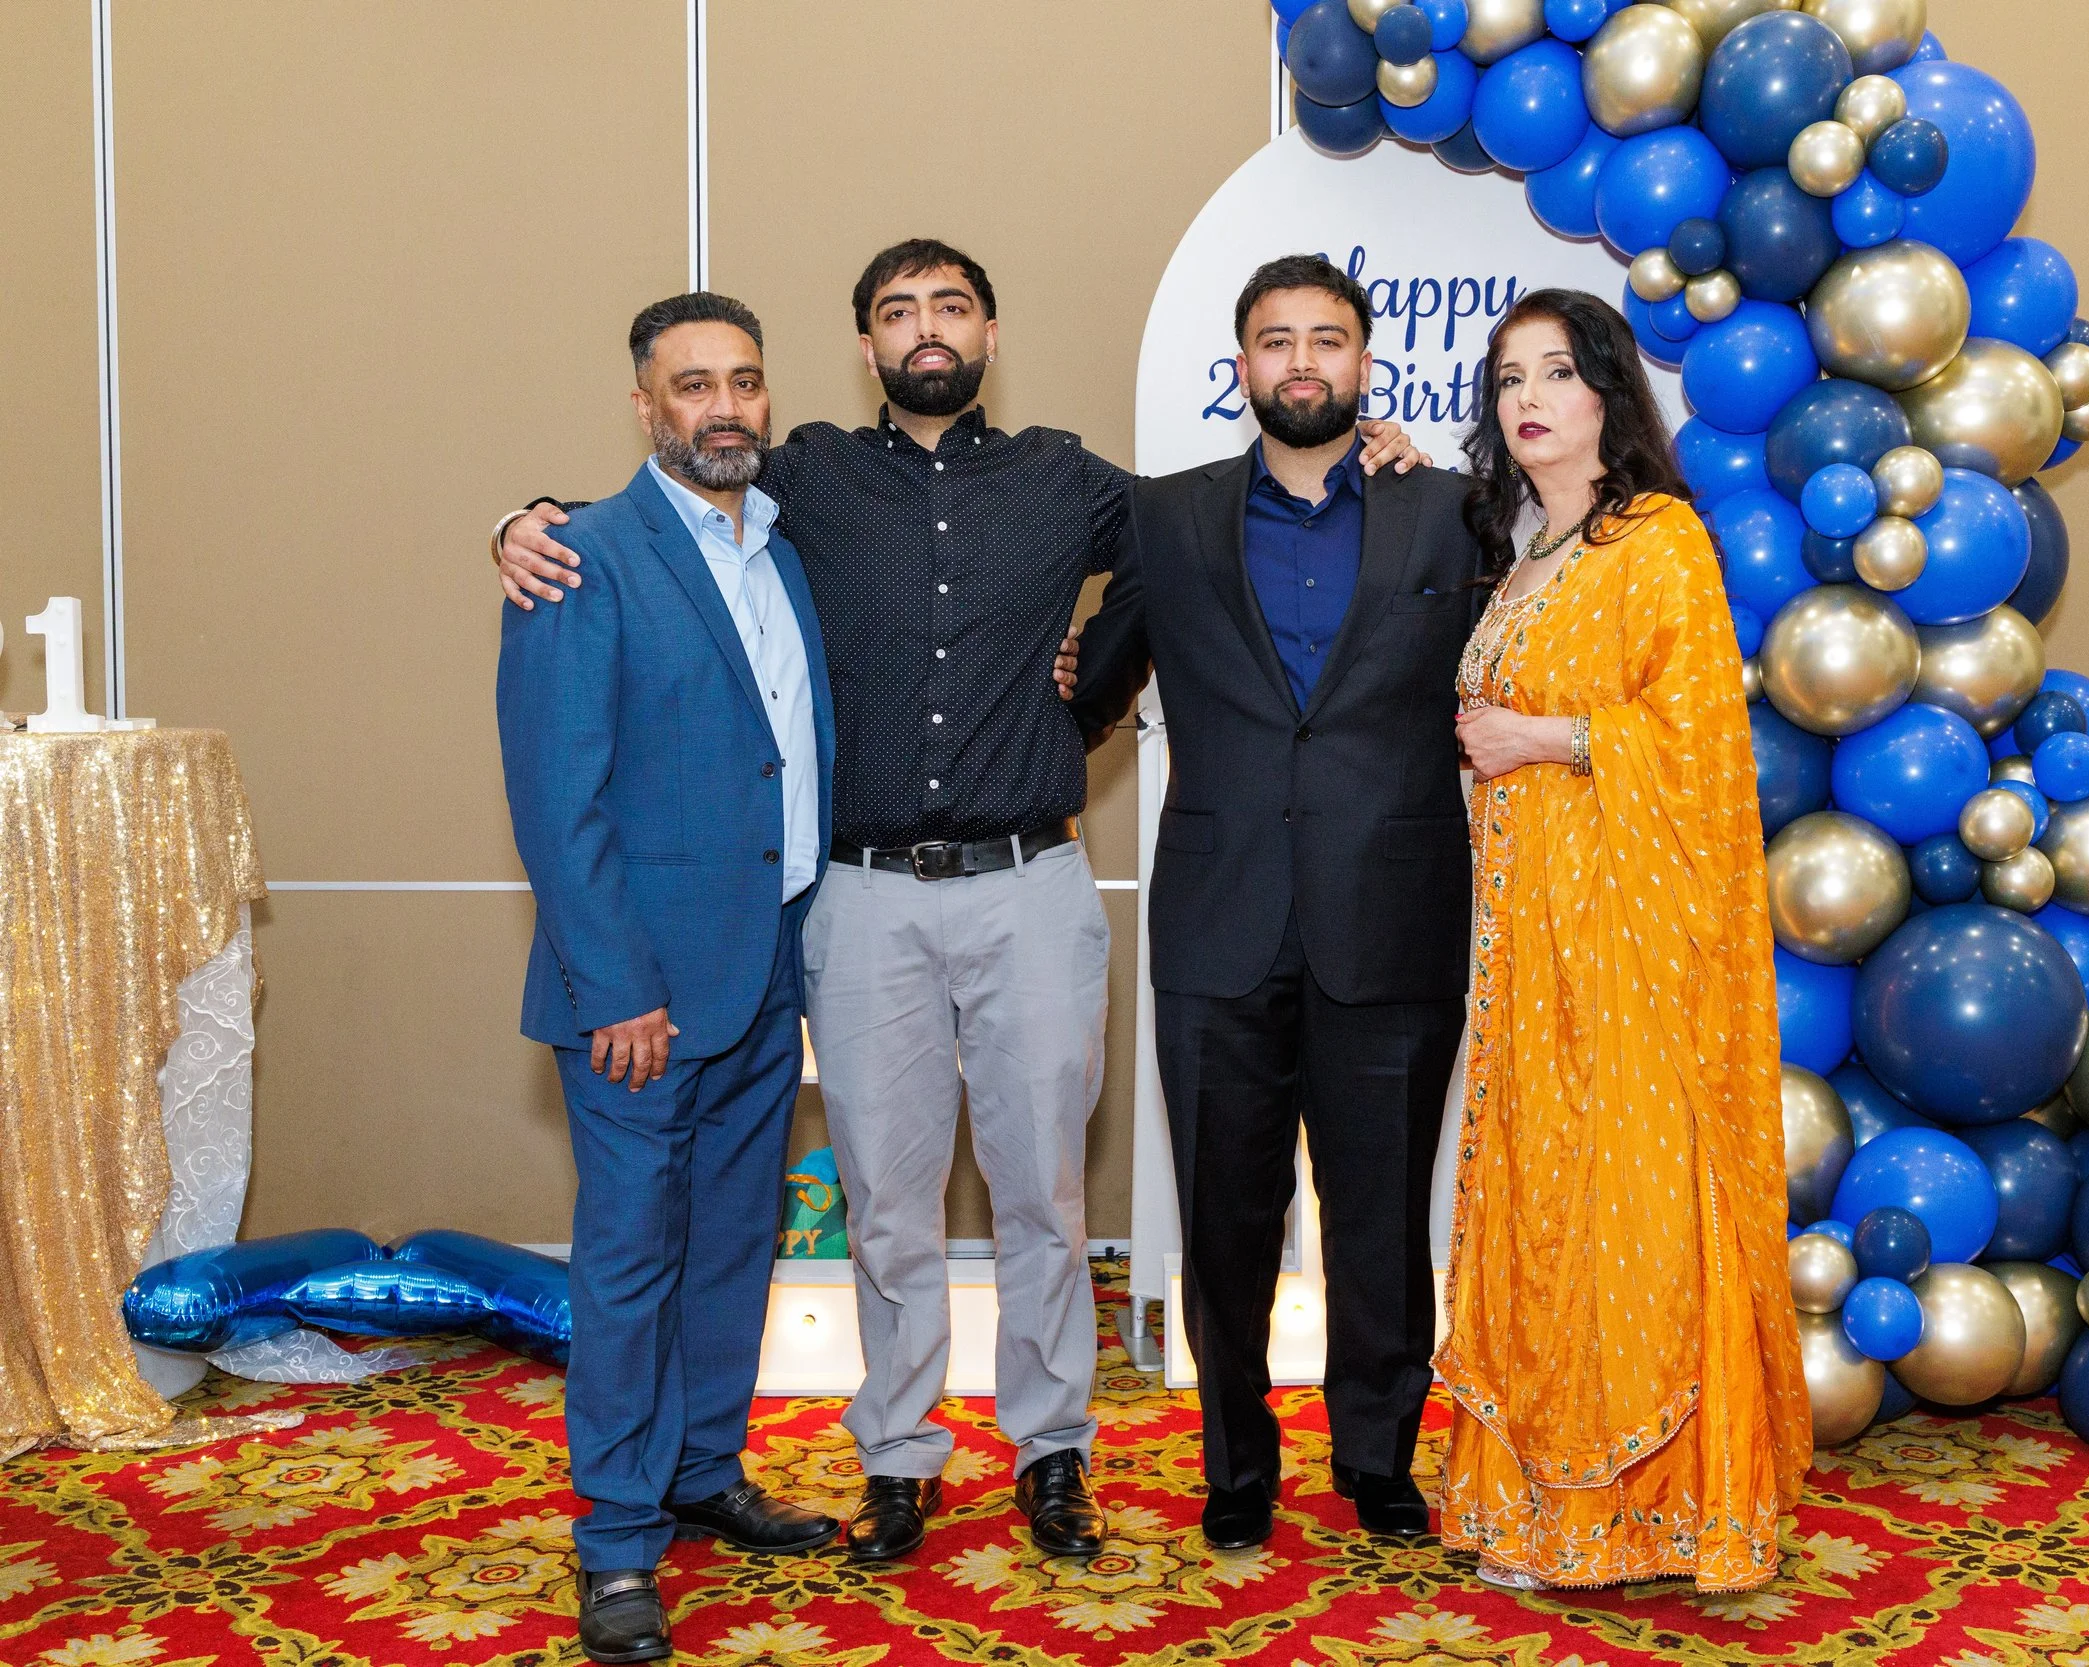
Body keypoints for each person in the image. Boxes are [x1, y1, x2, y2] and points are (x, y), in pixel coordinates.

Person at [491, 240, 1423, 1565]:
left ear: (990, 330)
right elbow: (664, 507)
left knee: (1044, 1192)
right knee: (888, 1197)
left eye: (950, 307)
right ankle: (900, 1456)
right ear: (865, 347)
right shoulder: (798, 470)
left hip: (1031, 887)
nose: (925, 330)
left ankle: (1053, 1452)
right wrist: (525, 520)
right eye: (895, 313)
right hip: (863, 905)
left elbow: (1215, 523)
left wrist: (1365, 466)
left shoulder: (1065, 478)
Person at [1063, 256, 1475, 1551]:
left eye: (1328, 340)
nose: (1303, 362)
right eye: (1276, 341)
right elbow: (1089, 700)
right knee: (1226, 1225)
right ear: (1242, 366)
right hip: (1218, 923)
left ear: (1367, 363)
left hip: (1393, 915)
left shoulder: (1452, 515)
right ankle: (1236, 1463)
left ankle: (1378, 1455)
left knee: (1381, 1215)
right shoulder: (1167, 517)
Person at [1435, 288, 1811, 1593]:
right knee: (1541, 1211)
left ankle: (1650, 1510)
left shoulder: (1658, 541)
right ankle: (1540, 1503)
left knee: (1627, 1212)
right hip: (1526, 956)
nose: (1527, 397)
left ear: (1607, 391)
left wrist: (1545, 738)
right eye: (1506, 378)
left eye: (1555, 371)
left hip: (1631, 955)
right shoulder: (1530, 545)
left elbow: (1702, 749)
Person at [496, 292, 840, 1665]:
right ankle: (619, 1540)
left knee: (734, 1241)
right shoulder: (580, 556)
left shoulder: (786, 542)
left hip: (769, 970)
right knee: (633, 1260)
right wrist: (615, 985)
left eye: (745, 381)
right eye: (693, 384)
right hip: (640, 993)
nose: (725, 406)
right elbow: (555, 800)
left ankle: (705, 1468)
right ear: (646, 406)